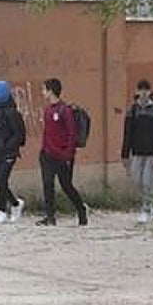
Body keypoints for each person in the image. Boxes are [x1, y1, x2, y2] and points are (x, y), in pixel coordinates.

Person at [36, 77, 88, 227]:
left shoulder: (64, 110)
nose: (43, 92)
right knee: (47, 184)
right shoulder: (47, 110)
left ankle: (81, 209)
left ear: (51, 91)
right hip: (47, 154)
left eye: (44, 89)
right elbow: (47, 132)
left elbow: (72, 133)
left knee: (66, 185)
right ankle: (50, 216)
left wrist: (68, 154)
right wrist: (43, 149)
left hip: (62, 155)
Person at [120, 79, 153, 223]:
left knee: (148, 181)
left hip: (151, 153)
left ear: (150, 92)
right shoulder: (132, 111)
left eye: (146, 90)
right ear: (137, 92)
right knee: (137, 181)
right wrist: (124, 154)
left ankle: (147, 208)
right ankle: (147, 204)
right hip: (136, 153)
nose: (143, 93)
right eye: (141, 90)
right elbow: (127, 134)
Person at [0, 80, 27, 223]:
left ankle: (2, 210)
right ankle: (15, 203)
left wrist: (7, 146)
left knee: (2, 179)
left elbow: (19, 134)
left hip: (9, 153)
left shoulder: (12, 113)